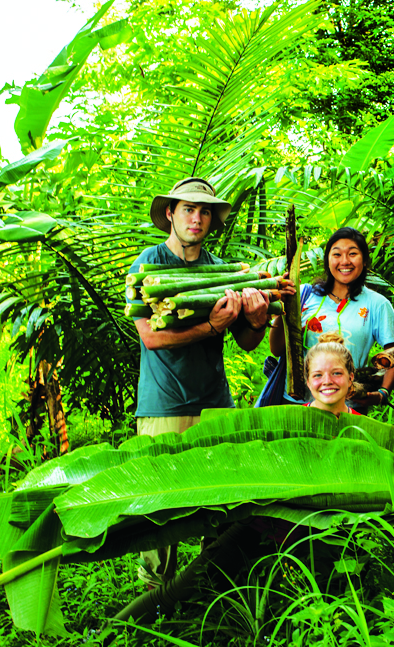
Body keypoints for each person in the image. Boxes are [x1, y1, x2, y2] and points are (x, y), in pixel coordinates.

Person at [127, 176, 291, 587]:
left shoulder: (223, 271)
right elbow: (152, 336)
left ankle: (207, 588)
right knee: (158, 503)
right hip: (162, 405)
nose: (196, 219)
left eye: (203, 211)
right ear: (170, 214)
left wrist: (256, 318)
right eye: (188, 209)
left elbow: (248, 342)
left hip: (215, 403)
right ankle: (156, 596)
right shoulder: (148, 267)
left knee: (217, 500)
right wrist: (212, 327)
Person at [267, 227, 394, 409]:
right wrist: (285, 307)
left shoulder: (378, 305)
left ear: (365, 260)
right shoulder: (304, 295)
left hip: (347, 407)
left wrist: (382, 393)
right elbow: (276, 348)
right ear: (327, 260)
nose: (345, 261)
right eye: (337, 254)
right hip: (296, 403)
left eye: (353, 254)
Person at [304, 332, 363, 417]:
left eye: (336, 373)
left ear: (350, 379)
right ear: (308, 382)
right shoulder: (290, 421)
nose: (327, 381)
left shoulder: (363, 427)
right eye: (318, 375)